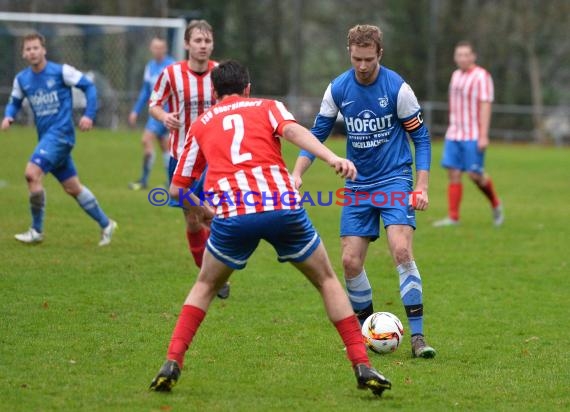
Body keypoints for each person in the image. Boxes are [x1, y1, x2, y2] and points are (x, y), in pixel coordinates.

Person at [148, 60, 391, 396]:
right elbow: (293, 132)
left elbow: (177, 190)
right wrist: (331, 157)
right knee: (327, 280)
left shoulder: (201, 123)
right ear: (248, 87)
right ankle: (362, 365)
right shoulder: (268, 106)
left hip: (233, 214)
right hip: (282, 207)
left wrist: (202, 209)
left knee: (205, 285)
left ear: (214, 93)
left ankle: (172, 361)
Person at [292, 24, 436, 358]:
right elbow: (317, 134)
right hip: (358, 186)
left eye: (369, 59)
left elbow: (421, 138)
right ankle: (370, 330)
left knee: (401, 251)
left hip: (395, 180)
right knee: (349, 261)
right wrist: (297, 174)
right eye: (357, 58)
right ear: (349, 53)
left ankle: (417, 338)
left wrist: (422, 185)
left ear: (379, 54)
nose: (362, 65)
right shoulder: (338, 89)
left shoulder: (397, 88)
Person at [1, 32, 117, 246]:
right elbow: (15, 101)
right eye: (28, 49)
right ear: (23, 53)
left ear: (43, 50)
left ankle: (36, 230)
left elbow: (89, 86)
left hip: (61, 134)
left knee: (31, 173)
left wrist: (89, 115)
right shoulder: (22, 79)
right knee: (73, 187)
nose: (32, 52)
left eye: (36, 47)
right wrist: (9, 116)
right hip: (47, 138)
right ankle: (106, 224)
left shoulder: (61, 71)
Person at [149, 20, 229, 299]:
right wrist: (164, 117)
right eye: (197, 41)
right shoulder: (171, 73)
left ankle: (213, 276)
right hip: (181, 155)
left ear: (212, 44)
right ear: (186, 44)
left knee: (210, 214)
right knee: (194, 220)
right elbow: (154, 103)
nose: (203, 45)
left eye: (207, 41)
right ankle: (206, 270)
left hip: (214, 157)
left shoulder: (220, 73)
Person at [433, 41, 503, 227]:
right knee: (453, 173)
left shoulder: (482, 76)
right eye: (459, 55)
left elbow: (486, 105)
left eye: (466, 55)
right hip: (454, 133)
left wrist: (483, 134)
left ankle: (496, 204)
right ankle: (453, 217)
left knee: (475, 175)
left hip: (473, 134)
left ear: (473, 56)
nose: (462, 58)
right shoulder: (455, 75)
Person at [128, 37, 175, 190]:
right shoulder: (150, 66)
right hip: (155, 112)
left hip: (167, 112)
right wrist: (135, 111)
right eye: (155, 47)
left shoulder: (171, 65)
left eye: (160, 47)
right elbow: (145, 91)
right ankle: (170, 181)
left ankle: (145, 180)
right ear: (151, 48)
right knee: (162, 146)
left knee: (149, 141)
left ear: (165, 49)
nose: (158, 50)